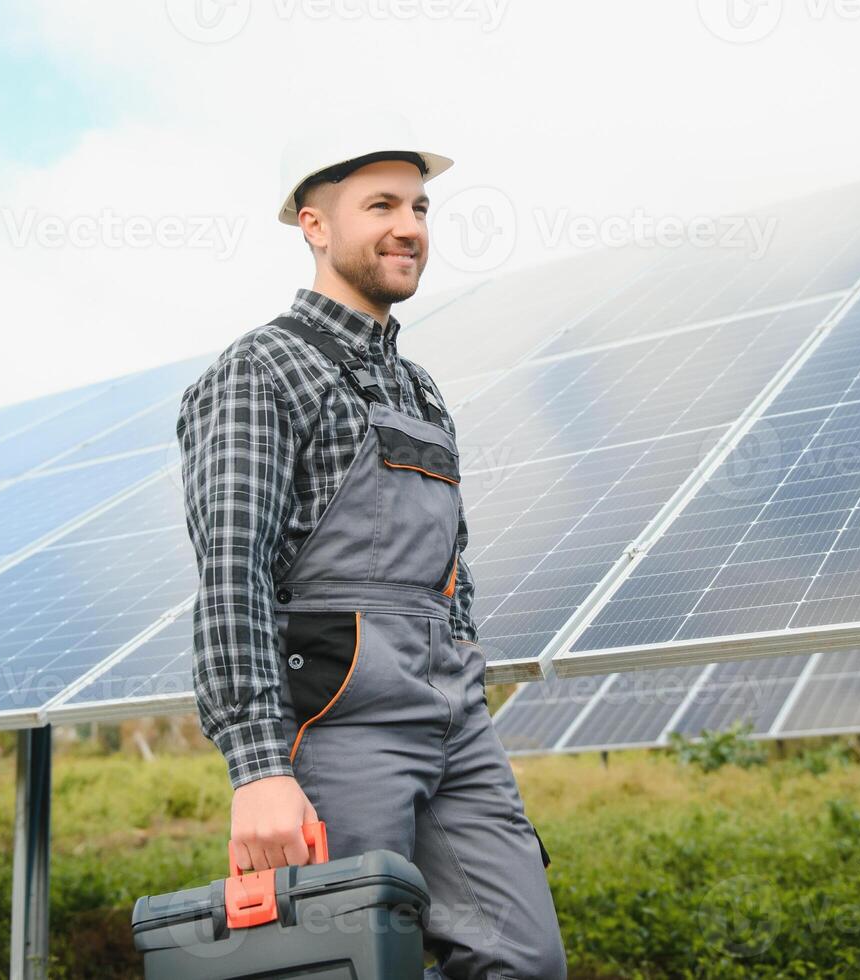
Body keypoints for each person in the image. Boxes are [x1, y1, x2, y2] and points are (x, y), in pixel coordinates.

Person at [176, 117, 567, 979]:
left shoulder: (419, 388)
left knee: (523, 960)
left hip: (451, 715)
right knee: (351, 962)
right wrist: (258, 770)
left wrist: (460, 658)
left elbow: (451, 569)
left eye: (420, 206)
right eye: (380, 204)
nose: (410, 227)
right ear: (314, 225)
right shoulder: (263, 370)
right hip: (339, 718)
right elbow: (231, 573)